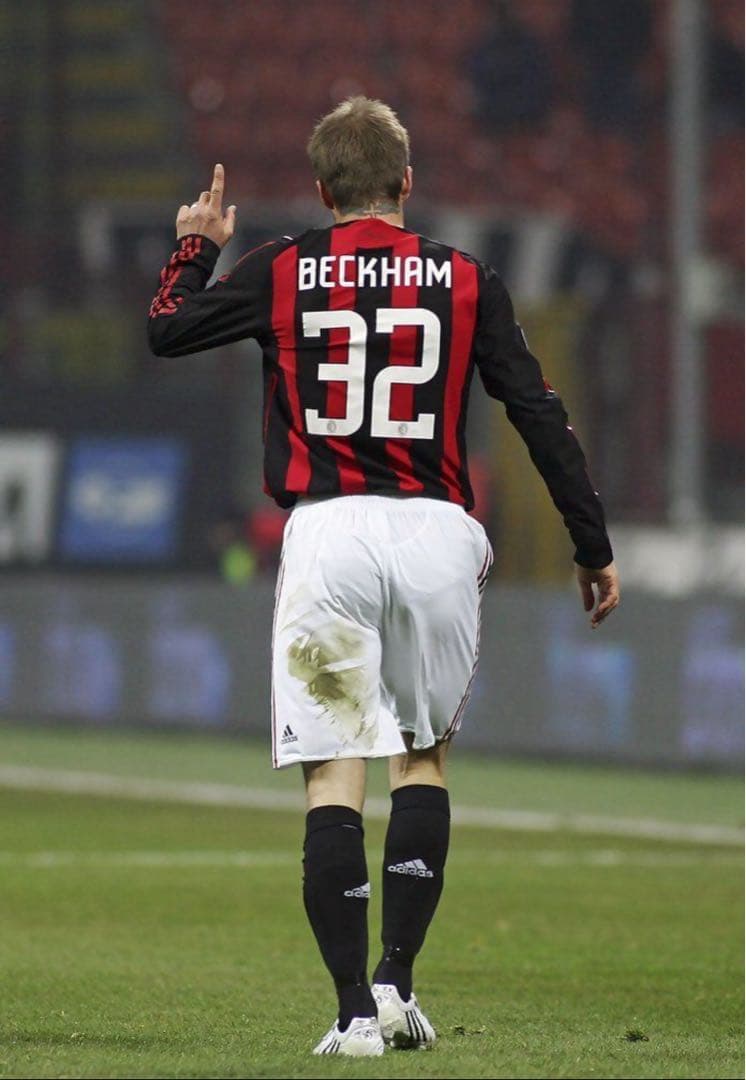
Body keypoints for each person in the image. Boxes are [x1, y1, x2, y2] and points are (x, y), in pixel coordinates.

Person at [148, 97, 619, 1057]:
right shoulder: (466, 277)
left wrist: (196, 247)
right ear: (407, 182)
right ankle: (398, 984)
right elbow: (539, 413)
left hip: (330, 533)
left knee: (335, 773)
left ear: (323, 192)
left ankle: (353, 1013)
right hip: (438, 534)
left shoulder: (284, 267)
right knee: (422, 758)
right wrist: (592, 541)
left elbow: (167, 329)